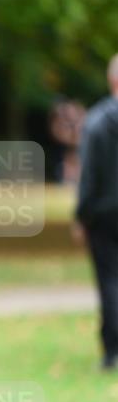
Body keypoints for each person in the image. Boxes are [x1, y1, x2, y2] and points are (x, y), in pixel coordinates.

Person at [74, 54, 118, 371]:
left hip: (104, 216)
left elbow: (88, 176)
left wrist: (81, 215)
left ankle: (112, 350)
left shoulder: (97, 121)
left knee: (109, 282)